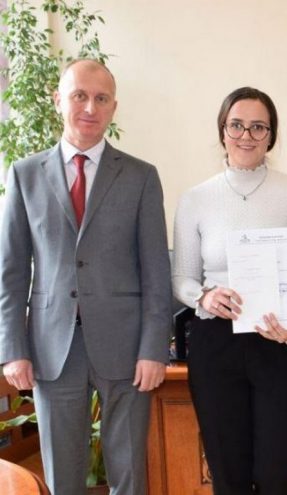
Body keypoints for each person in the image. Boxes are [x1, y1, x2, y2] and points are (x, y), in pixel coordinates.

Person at [0, 59, 171, 495]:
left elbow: (156, 270)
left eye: (101, 98)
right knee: (63, 476)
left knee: (129, 474)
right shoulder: (24, 175)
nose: (90, 108)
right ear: (59, 100)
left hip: (126, 348)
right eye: (80, 96)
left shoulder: (141, 176)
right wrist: (13, 350)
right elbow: (11, 273)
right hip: (51, 347)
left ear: (114, 107)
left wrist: (154, 348)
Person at [172, 86, 287, 494]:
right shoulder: (195, 199)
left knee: (277, 471)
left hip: (278, 342)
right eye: (236, 125)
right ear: (222, 130)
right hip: (215, 344)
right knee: (229, 475)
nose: (246, 135)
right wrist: (204, 296)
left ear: (271, 136)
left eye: (259, 127)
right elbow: (181, 277)